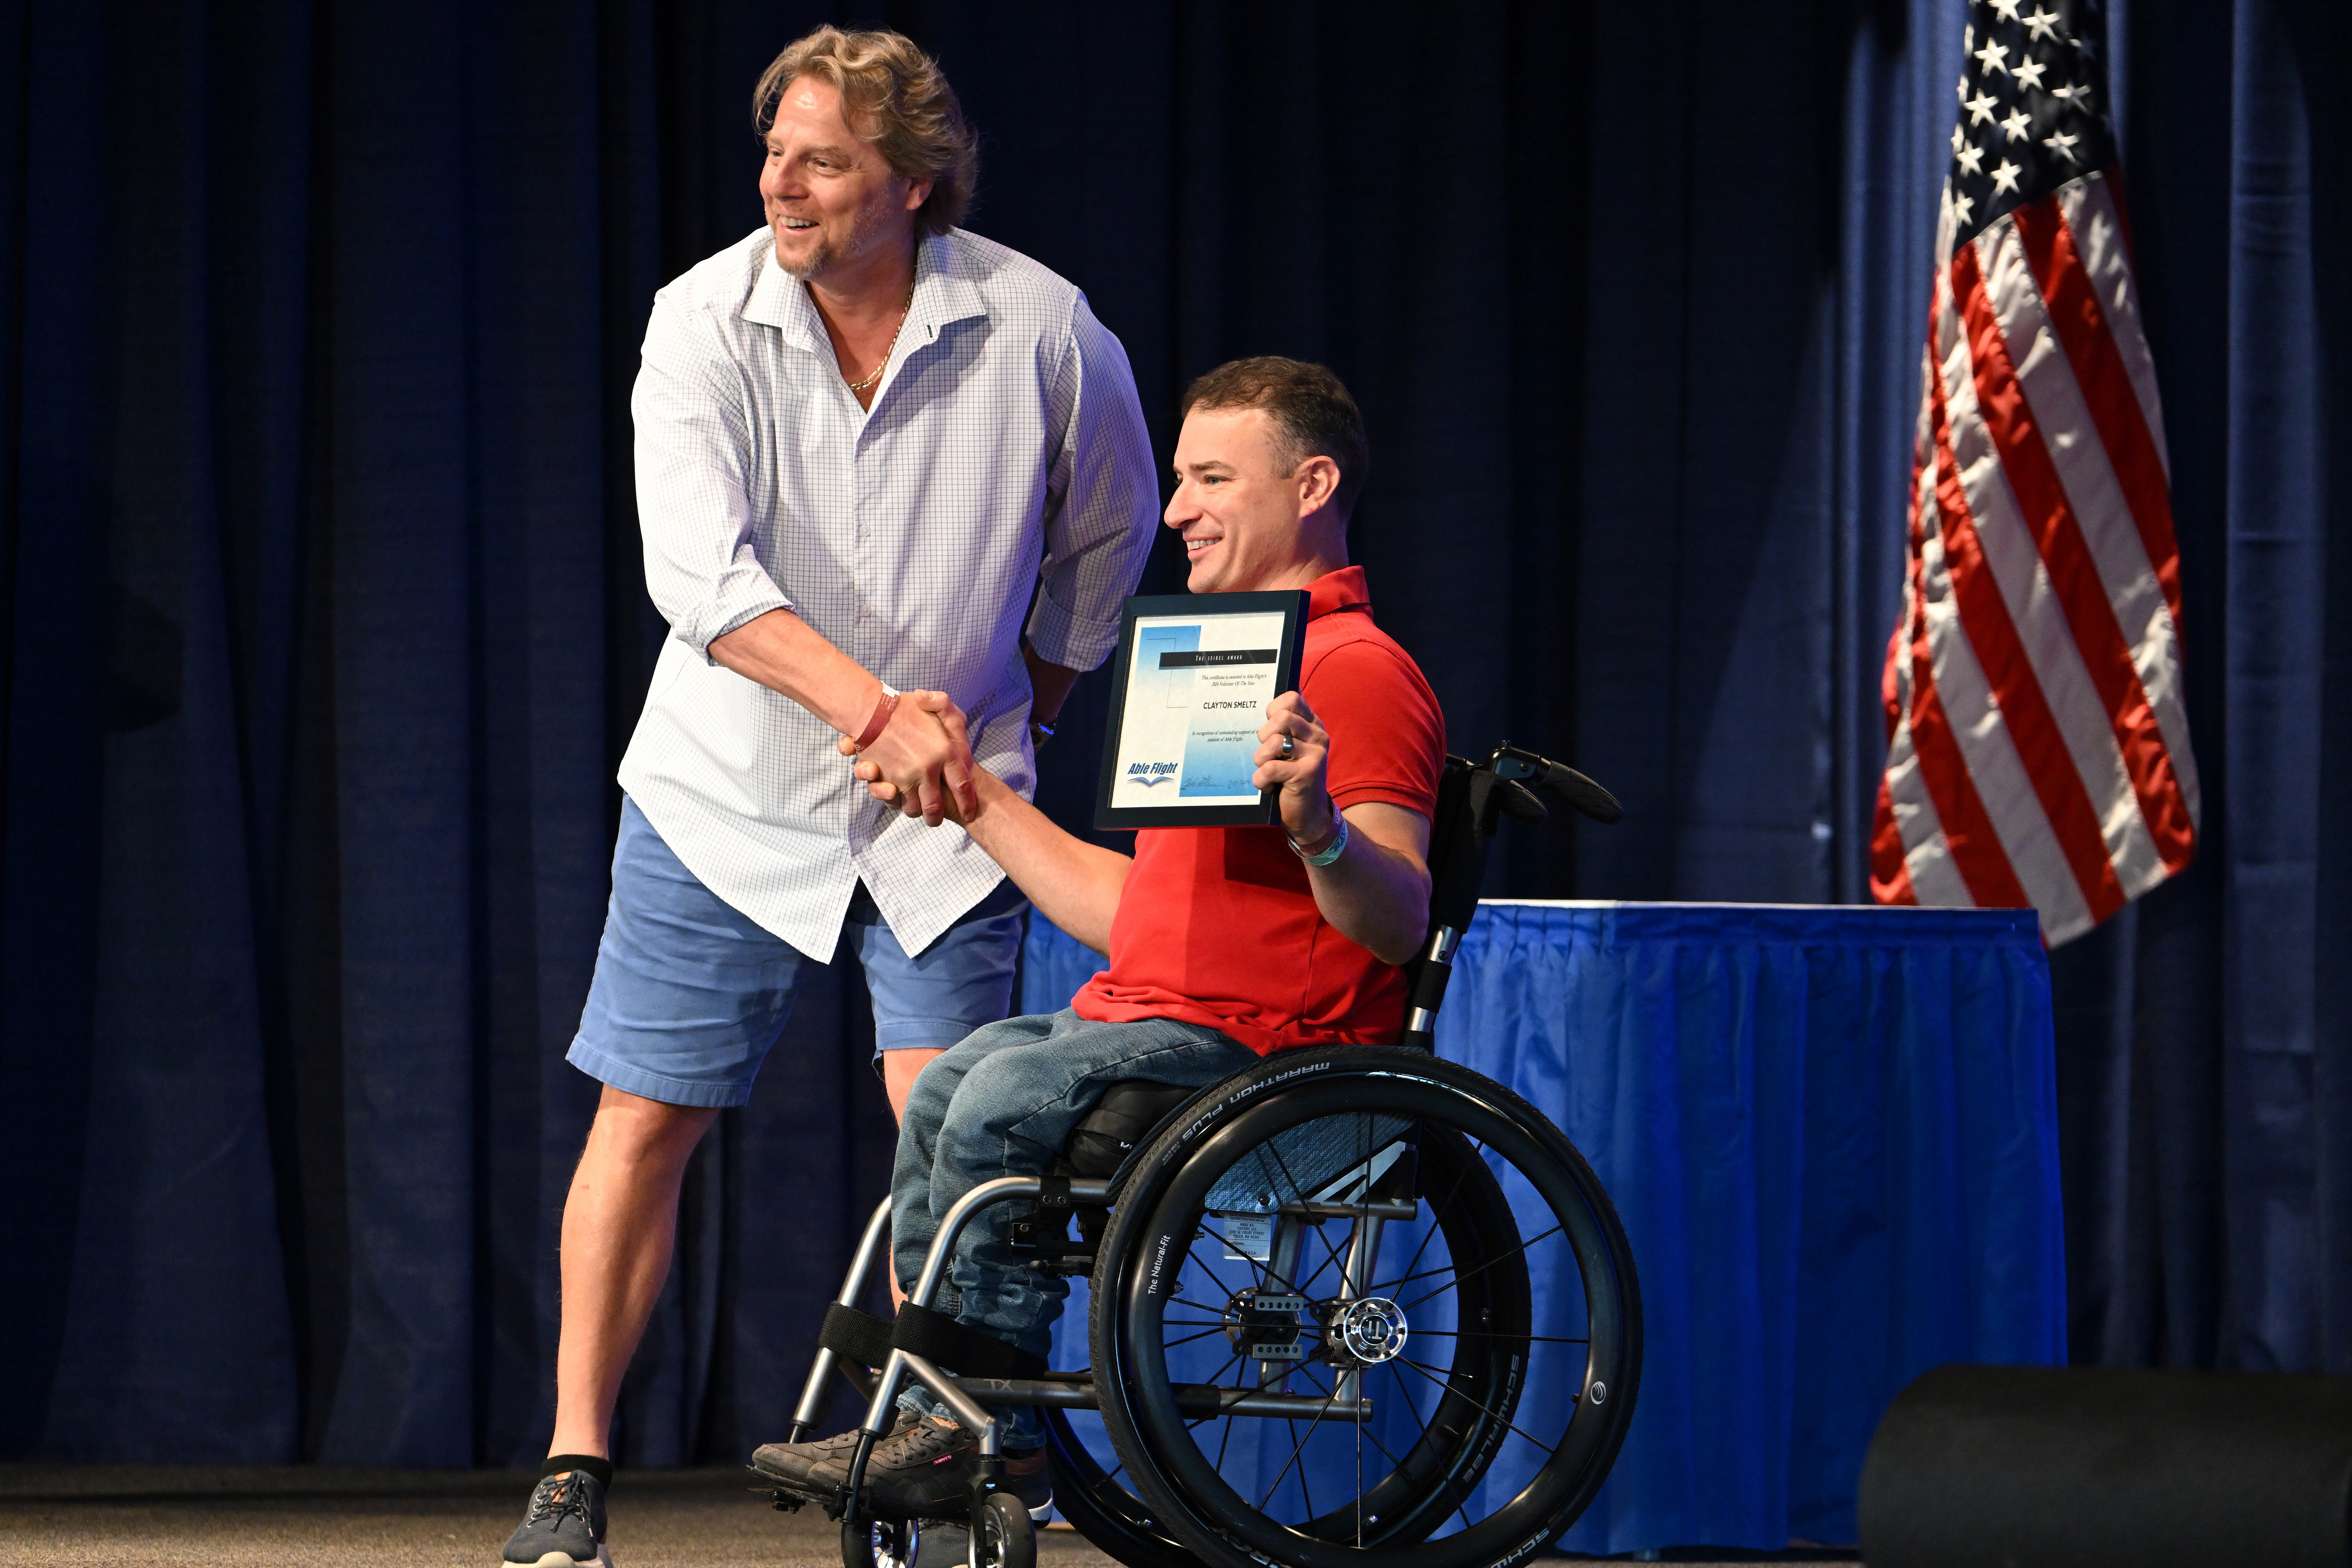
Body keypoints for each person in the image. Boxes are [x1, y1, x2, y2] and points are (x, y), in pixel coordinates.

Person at [499, 25, 1159, 1568]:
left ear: (914, 185)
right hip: (728, 788)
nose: (779, 185)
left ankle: (950, 1440)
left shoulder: (1042, 325)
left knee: (953, 1123)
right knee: (644, 1116)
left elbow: (1107, 544)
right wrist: (882, 712)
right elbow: (701, 577)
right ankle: (574, 1464)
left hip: (954, 804)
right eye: (776, 152)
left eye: (823, 161)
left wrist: (1011, 709)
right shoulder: (703, 318)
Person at [753, 356, 1446, 1520]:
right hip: (1166, 1022)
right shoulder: (1215, 655)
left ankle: (989, 1434)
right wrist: (969, 790)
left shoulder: (1357, 671)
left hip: (1278, 1054)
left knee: (1001, 1096)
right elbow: (1141, 915)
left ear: (1313, 482)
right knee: (953, 1083)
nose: (1177, 510)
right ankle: (935, 1403)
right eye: (1179, 479)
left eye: (1213, 478)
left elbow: (1401, 917)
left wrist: (1320, 829)